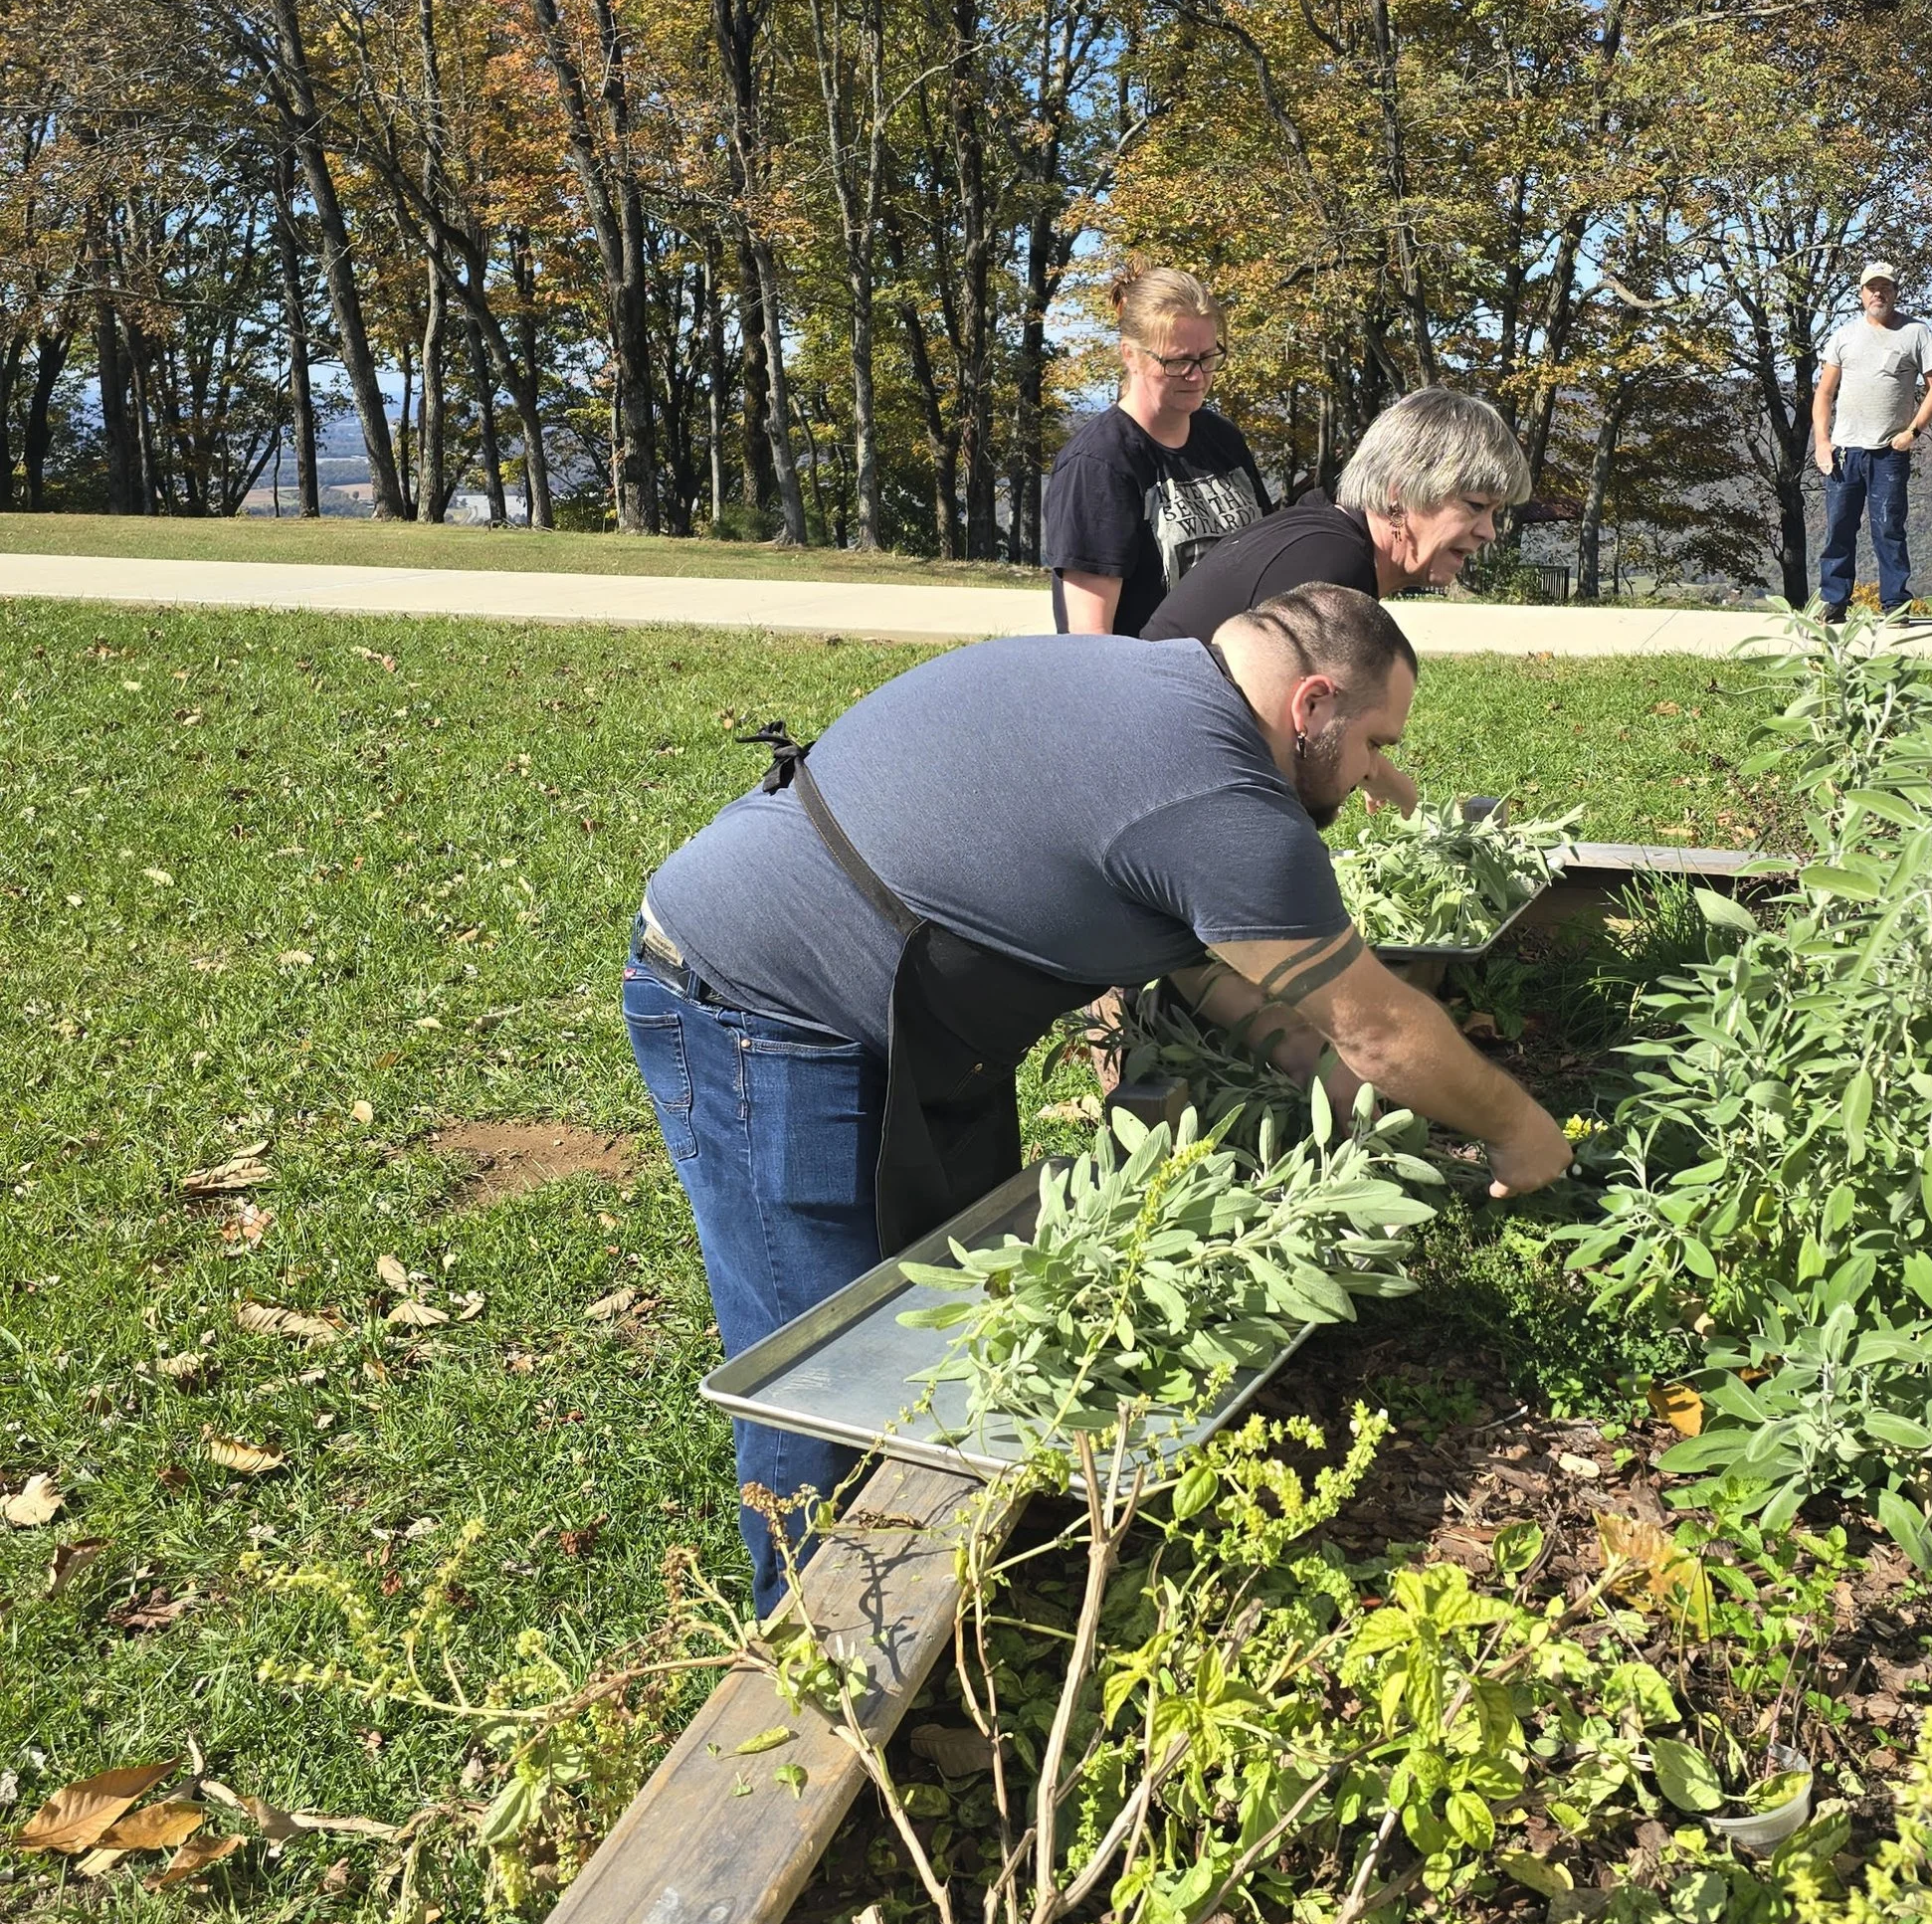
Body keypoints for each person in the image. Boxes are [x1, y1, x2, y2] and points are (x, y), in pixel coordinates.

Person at [624, 584, 1573, 1608]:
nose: (1385, 778)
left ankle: (957, 1589)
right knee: (826, 1363)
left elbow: (1220, 973)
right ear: (1311, 706)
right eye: (1376, 741)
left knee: (955, 1294)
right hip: (761, 1004)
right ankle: (818, 1654)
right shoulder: (1218, 794)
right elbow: (1378, 1024)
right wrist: (1520, 1131)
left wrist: (1336, 1098)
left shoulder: (1165, 693)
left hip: (900, 1009)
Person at [1140, 386, 1529, 641]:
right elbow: (1291, 742)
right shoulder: (1330, 565)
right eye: (1476, 506)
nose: (1489, 532)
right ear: (1400, 494)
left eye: (1495, 512)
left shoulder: (1326, 536)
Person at [1045, 264, 1270, 635]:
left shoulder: (1223, 439)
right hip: (1151, 685)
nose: (1196, 376)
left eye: (1207, 358)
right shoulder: (1097, 465)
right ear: (1130, 355)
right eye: (1178, 361)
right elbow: (1090, 640)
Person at [1813, 261, 1932, 623]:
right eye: (1871, 287)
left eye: (1884, 287)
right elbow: (1824, 393)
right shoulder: (1844, 336)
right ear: (1861, 294)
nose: (1878, 293)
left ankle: (1895, 605)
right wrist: (1822, 442)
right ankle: (1835, 602)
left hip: (1889, 451)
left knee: (1888, 528)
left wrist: (1913, 432)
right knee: (1839, 527)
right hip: (1844, 451)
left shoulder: (1916, 333)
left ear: (1895, 292)